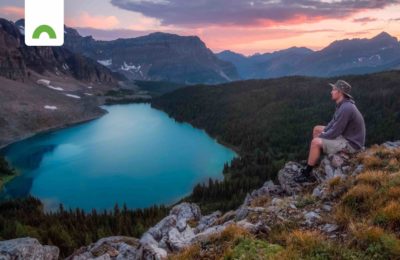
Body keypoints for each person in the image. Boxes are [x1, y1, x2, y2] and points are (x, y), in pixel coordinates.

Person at [294, 80, 366, 183]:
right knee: (317, 129)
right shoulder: (342, 105)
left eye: (333, 89)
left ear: (339, 92)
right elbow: (332, 123)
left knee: (315, 142)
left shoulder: (346, 108)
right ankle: (315, 159)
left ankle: (307, 173)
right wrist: (323, 133)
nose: (331, 92)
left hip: (352, 144)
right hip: (346, 137)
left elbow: (336, 131)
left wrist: (322, 137)